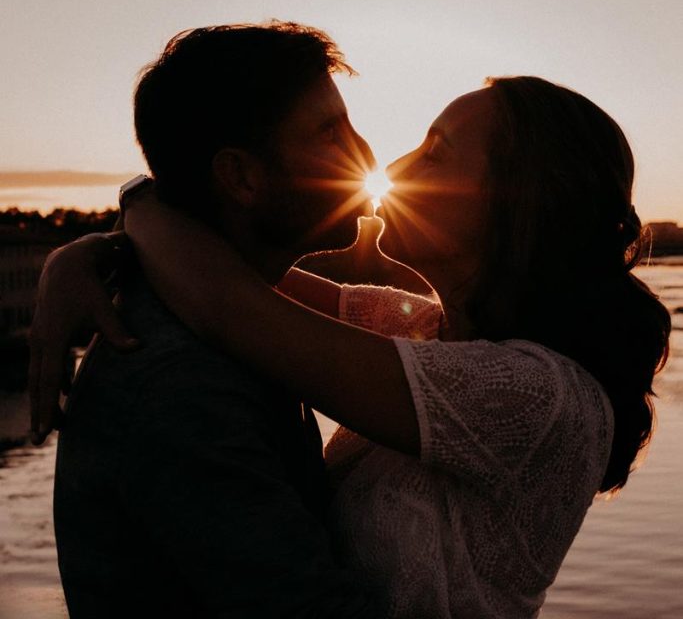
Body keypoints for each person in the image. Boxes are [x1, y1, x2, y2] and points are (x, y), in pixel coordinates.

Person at [33, 72, 671, 619]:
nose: (392, 170)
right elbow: (245, 276)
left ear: (521, 200)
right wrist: (94, 252)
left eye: (435, 154)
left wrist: (137, 204)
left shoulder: (538, 395)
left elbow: (230, 308)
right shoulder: (416, 327)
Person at [32, 23, 380, 619]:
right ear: (240, 177)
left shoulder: (236, 328)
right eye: (329, 132)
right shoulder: (184, 387)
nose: (366, 154)